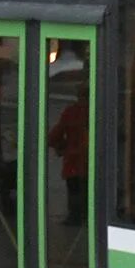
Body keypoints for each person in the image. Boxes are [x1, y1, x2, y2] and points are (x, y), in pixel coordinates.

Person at [47, 83, 89, 225]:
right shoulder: (102, 111)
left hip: (73, 162)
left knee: (74, 191)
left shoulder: (71, 112)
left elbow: (53, 137)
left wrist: (62, 147)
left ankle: (75, 216)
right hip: (92, 163)